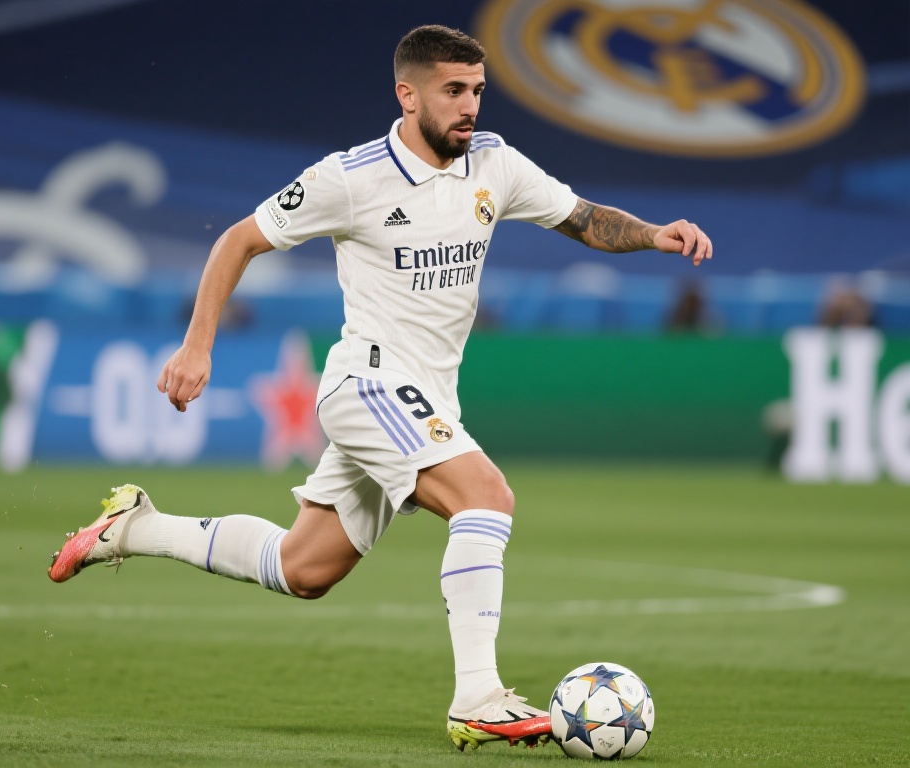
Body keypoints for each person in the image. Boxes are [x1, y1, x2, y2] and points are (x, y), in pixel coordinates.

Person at [48, 24, 711, 751]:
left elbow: (581, 219)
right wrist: (197, 345)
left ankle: (135, 528)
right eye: (453, 91)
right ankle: (478, 698)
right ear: (408, 94)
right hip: (367, 383)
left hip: (428, 397)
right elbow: (239, 239)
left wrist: (654, 232)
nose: (470, 106)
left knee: (302, 568)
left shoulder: (493, 162)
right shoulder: (350, 178)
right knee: (485, 498)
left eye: (477, 90)